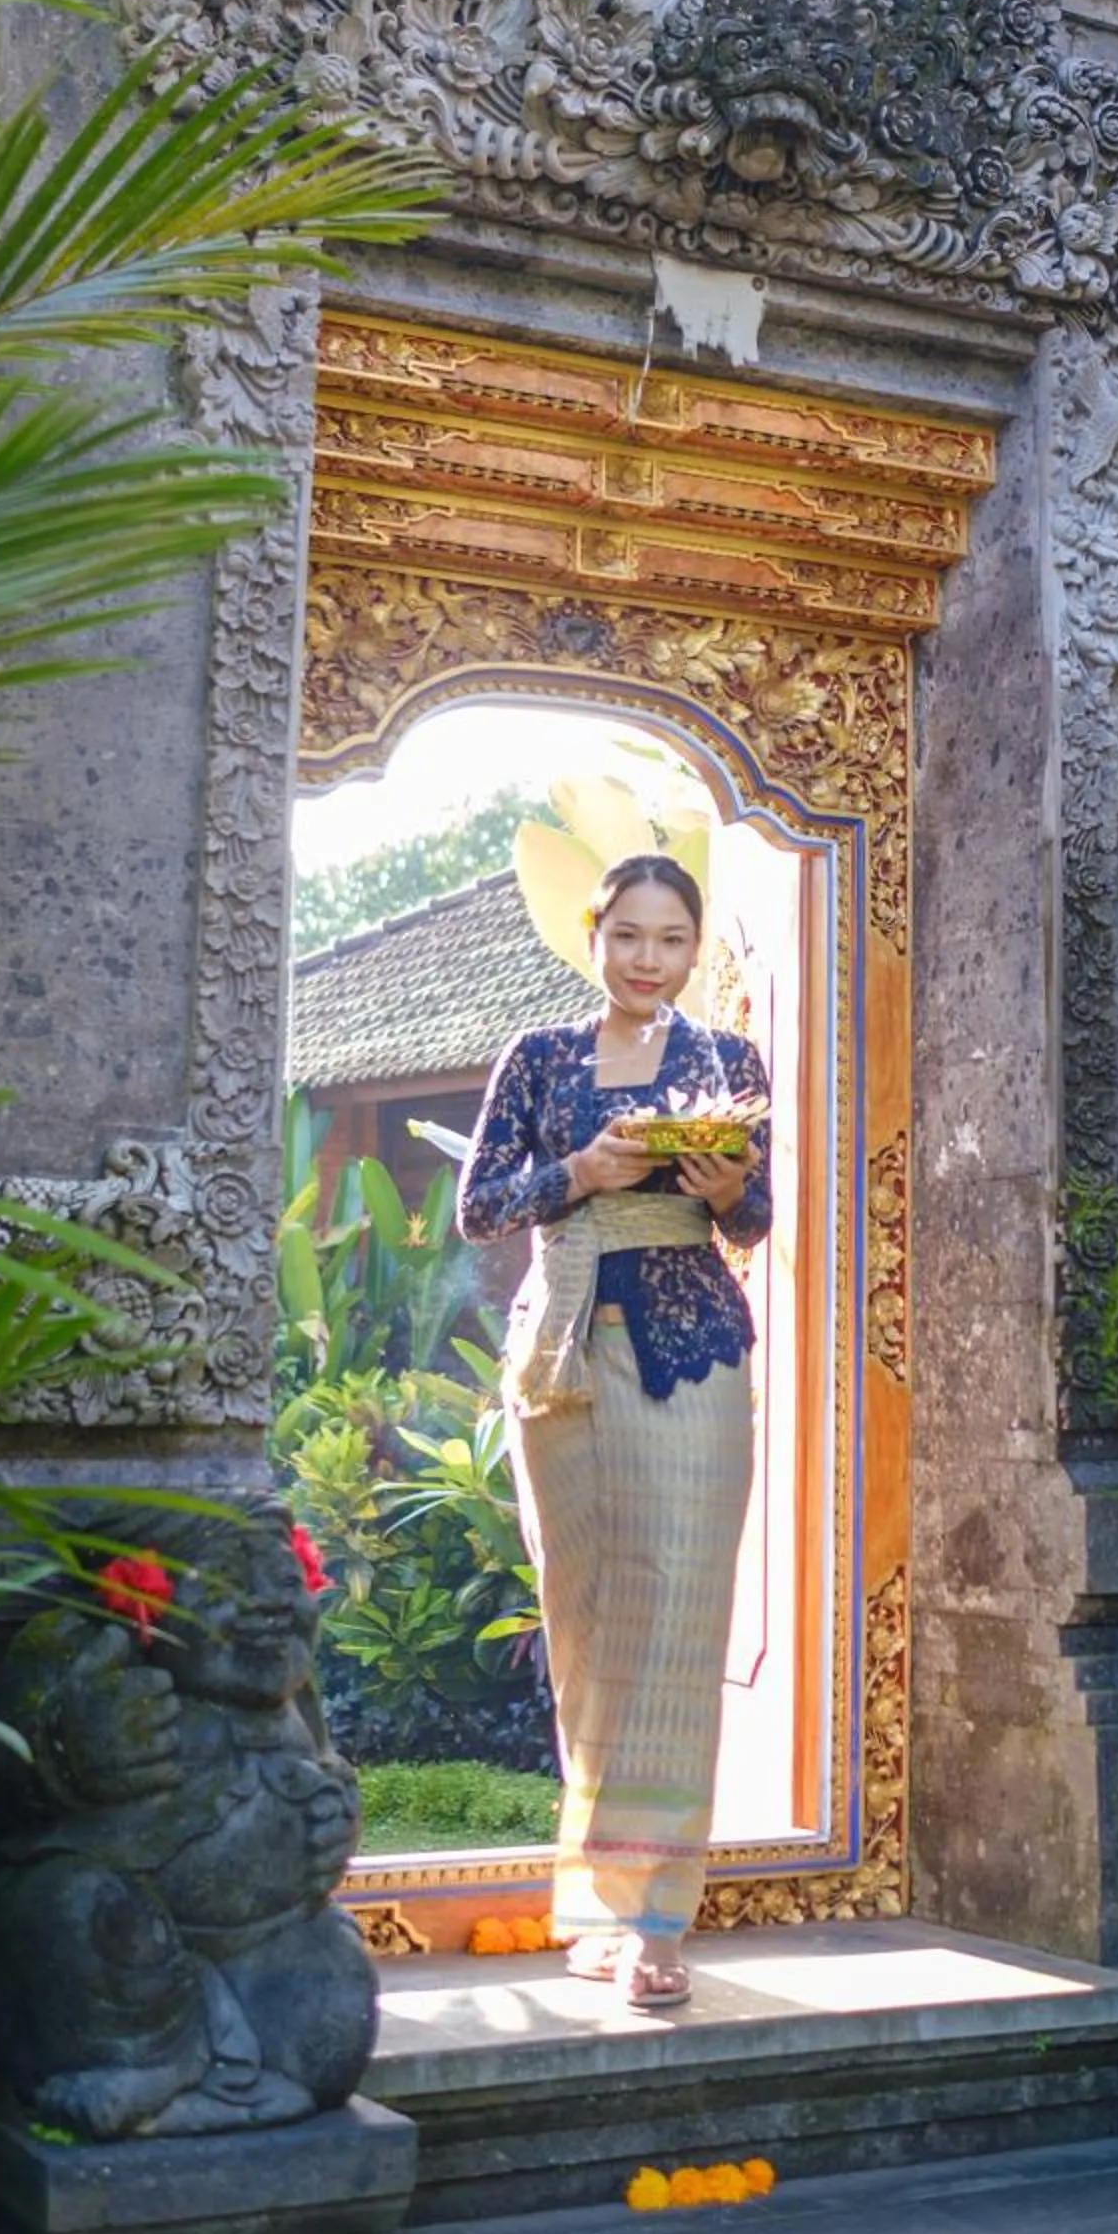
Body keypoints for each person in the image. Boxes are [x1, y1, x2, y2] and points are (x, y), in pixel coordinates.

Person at [458, 853, 771, 2011]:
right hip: (562, 1361)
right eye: (628, 937)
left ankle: (651, 1923)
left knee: (677, 1619)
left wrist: (725, 1184)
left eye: (670, 941)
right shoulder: (535, 1057)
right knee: (583, 1623)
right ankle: (596, 1911)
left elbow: (758, 1218)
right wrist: (577, 1172)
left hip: (690, 1349)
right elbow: (477, 1206)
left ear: (694, 953)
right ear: (593, 938)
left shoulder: (724, 1061)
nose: (648, 960)